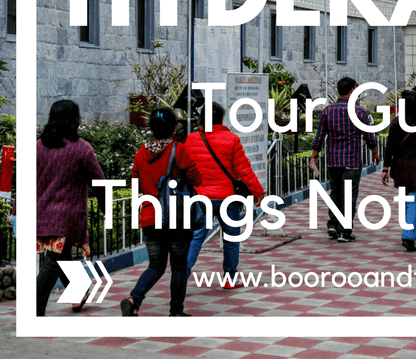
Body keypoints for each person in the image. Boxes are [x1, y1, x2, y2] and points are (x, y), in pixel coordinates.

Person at [180, 102, 264, 286]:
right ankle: (230, 278)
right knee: (231, 237)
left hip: (200, 198)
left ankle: (181, 276)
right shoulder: (231, 139)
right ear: (221, 118)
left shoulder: (191, 139)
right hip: (227, 198)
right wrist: (258, 192)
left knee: (196, 237)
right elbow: (244, 171)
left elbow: (185, 168)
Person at [120, 108, 193, 317]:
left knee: (156, 265)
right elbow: (196, 178)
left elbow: (135, 183)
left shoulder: (141, 152)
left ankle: (134, 299)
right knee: (179, 266)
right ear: (173, 129)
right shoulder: (179, 150)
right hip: (177, 217)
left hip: (150, 217)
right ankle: (176, 311)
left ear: (151, 127)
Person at [36, 99, 104, 316]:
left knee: (59, 256)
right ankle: (34, 309)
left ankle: (79, 292)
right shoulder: (82, 150)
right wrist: (106, 209)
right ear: (75, 120)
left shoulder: (37, 147)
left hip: (42, 215)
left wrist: (16, 212)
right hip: (68, 217)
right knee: (54, 260)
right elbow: (99, 183)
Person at [310, 76, 380, 243]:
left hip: (333, 160)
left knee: (335, 193)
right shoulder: (358, 112)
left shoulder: (328, 111)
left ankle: (333, 225)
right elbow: (369, 136)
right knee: (349, 195)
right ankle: (345, 231)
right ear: (352, 91)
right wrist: (375, 153)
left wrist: (314, 156)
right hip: (352, 161)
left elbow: (319, 136)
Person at [381, 90, 416, 252]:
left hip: (401, 167)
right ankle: (408, 236)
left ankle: (407, 230)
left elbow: (389, 147)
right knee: (413, 201)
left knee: (407, 200)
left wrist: (385, 169)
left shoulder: (396, 123)